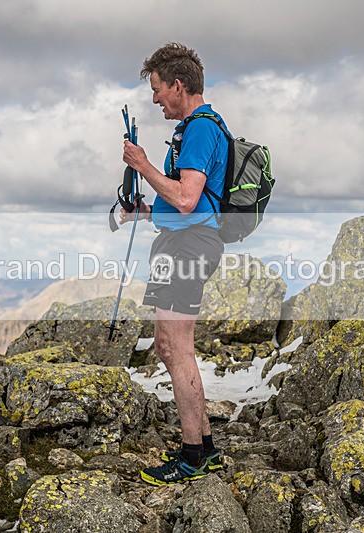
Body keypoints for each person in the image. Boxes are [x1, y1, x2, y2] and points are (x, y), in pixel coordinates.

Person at [120, 42, 228, 485]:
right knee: (170, 345)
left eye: (159, 89)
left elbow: (186, 199)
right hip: (181, 242)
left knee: (175, 347)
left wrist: (142, 164)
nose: (155, 99)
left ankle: (191, 458)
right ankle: (204, 448)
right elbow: (185, 199)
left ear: (178, 85)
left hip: (189, 246)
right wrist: (143, 212)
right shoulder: (194, 128)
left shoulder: (200, 129)